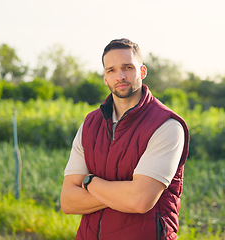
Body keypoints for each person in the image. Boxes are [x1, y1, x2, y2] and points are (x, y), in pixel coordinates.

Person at [60, 38, 190, 240]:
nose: (120, 76)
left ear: (143, 71)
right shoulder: (89, 125)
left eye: (127, 67)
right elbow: (68, 201)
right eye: (111, 70)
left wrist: (89, 182)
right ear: (105, 77)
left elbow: (140, 200)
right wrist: (123, 193)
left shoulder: (166, 126)